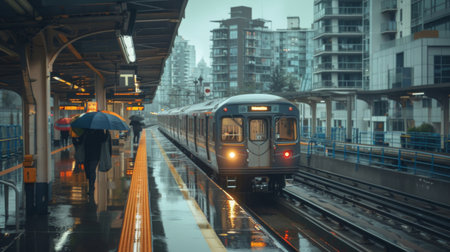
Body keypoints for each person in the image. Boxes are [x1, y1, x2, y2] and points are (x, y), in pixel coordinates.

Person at [83, 129, 108, 196]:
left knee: (92, 170)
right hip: (87, 154)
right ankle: (91, 185)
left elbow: (103, 139)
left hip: (95, 154)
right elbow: (81, 140)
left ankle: (91, 187)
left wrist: (107, 133)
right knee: (88, 171)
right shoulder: (86, 130)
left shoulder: (99, 130)